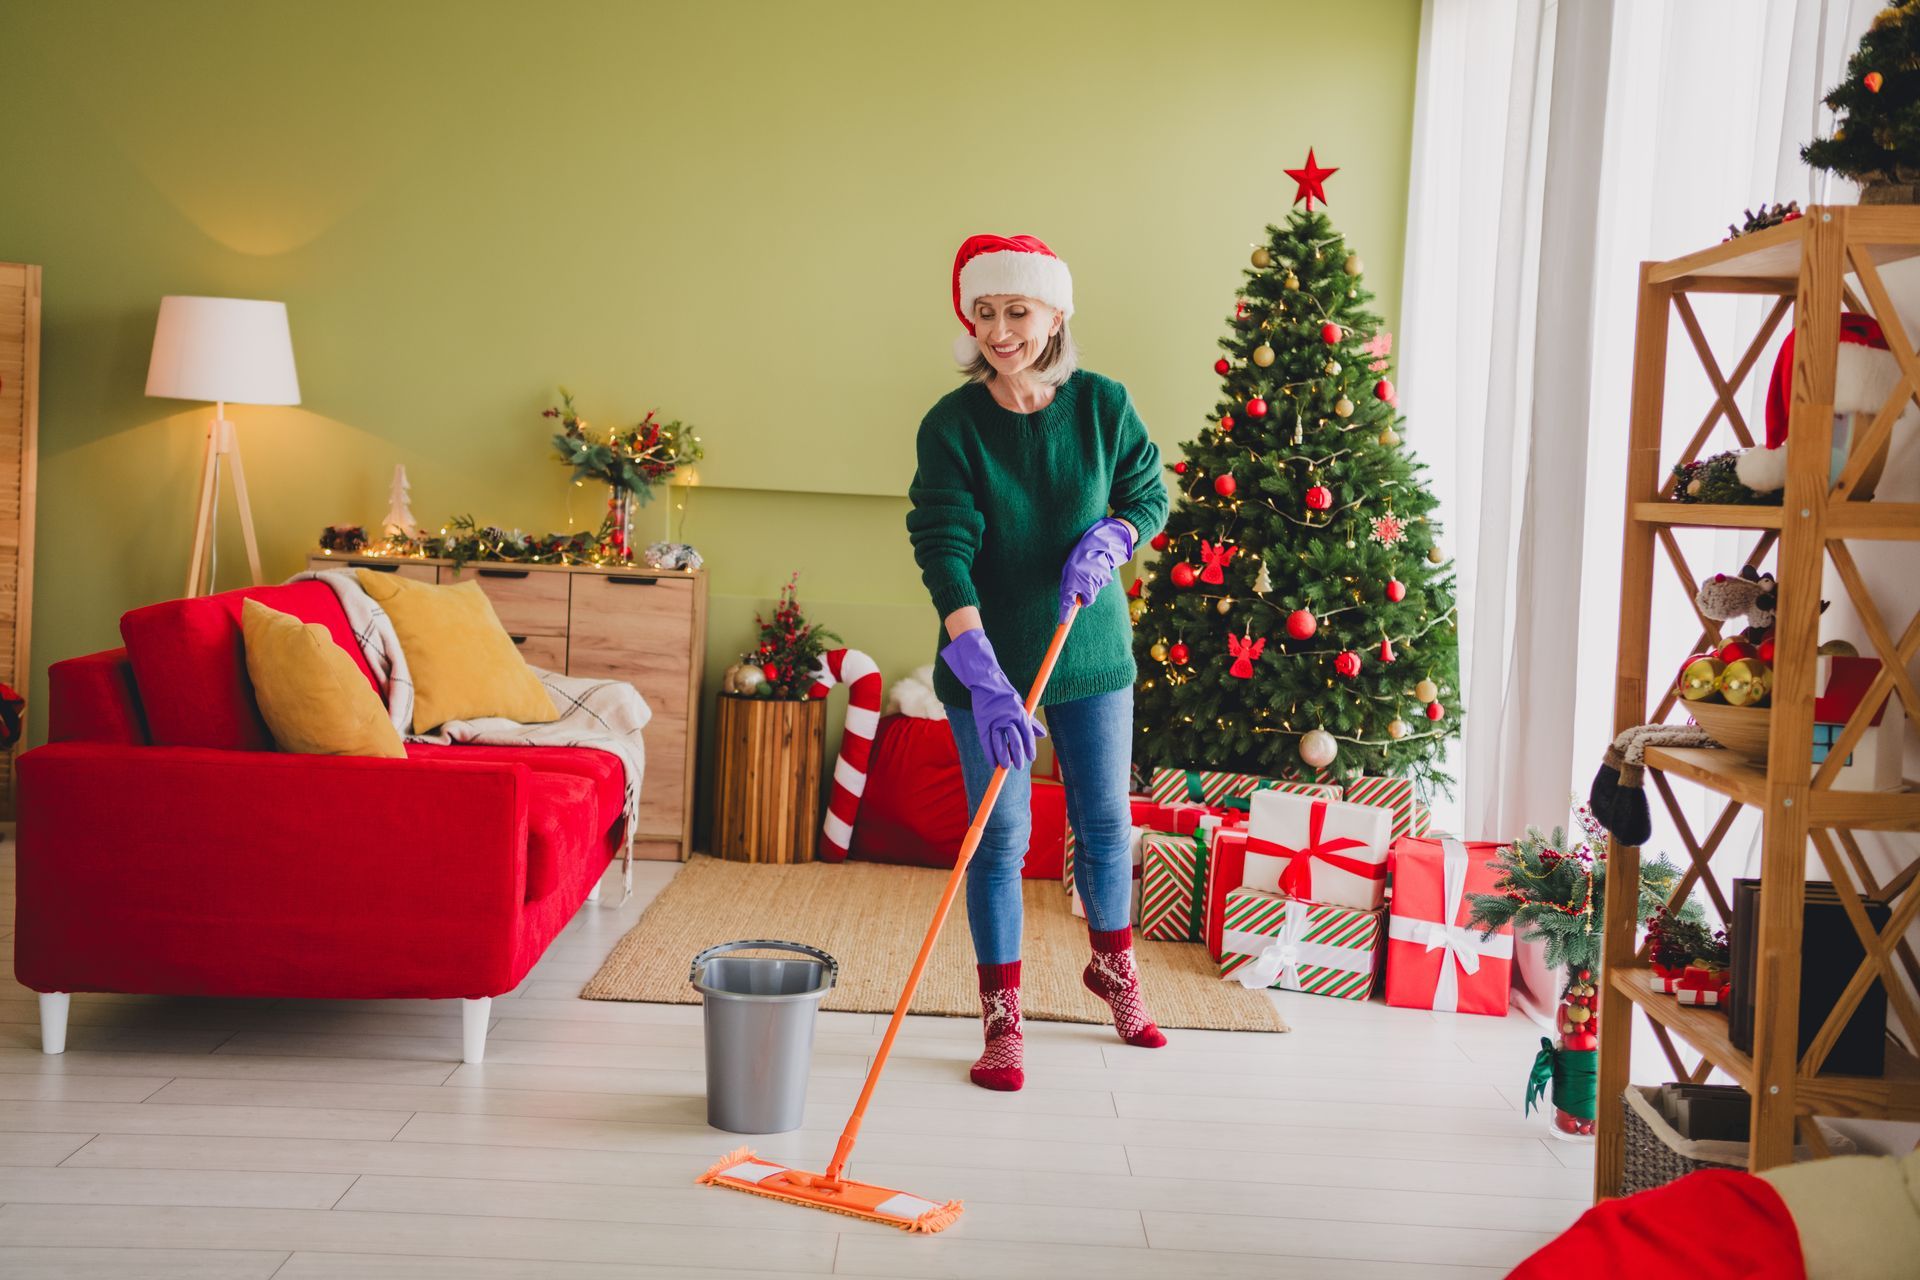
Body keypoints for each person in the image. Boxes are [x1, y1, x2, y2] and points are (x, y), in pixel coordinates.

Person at [906, 233, 1169, 1092]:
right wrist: (977, 666)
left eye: (1017, 311)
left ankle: (1115, 972)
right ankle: (1002, 1018)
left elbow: (1147, 490)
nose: (1000, 329)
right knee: (1000, 839)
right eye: (985, 312)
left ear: (1055, 313)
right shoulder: (952, 426)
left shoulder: (1102, 405)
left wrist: (1116, 534)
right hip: (990, 658)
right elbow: (944, 545)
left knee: (1102, 825)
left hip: (1089, 653)